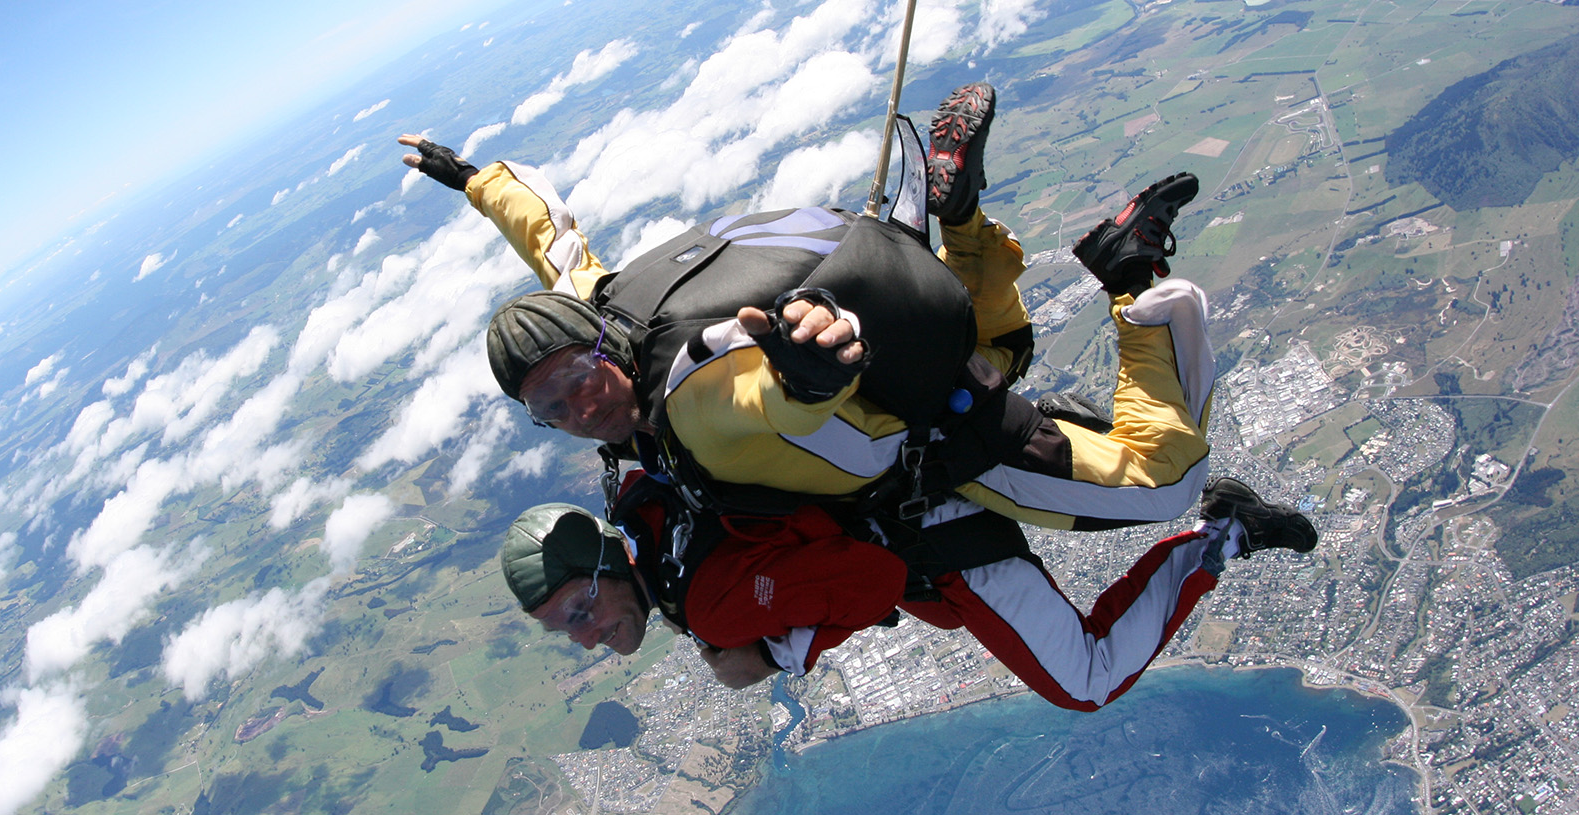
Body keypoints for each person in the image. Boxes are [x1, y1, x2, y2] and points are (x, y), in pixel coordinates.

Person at [402, 82, 1214, 533]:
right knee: (1006, 339)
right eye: (548, 408)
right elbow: (549, 236)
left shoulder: (690, 390)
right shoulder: (599, 302)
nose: (578, 409)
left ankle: (1133, 285)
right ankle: (960, 215)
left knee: (1161, 484)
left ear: (600, 348)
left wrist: (810, 372)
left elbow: (749, 390)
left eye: (576, 378)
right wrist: (474, 180)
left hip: (932, 435)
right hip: (889, 287)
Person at [501, 475, 1317, 710]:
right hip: (916, 514)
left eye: (581, 609)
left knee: (1087, 679)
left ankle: (1223, 533)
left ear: (607, 571)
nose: (588, 636)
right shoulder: (642, 507)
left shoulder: (703, 601)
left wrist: (773, 654)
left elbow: (871, 581)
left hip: (939, 546)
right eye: (563, 630)